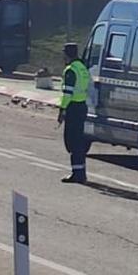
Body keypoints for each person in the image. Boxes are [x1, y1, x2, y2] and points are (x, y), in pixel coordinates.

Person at [57, 41, 91, 184]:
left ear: (67, 54)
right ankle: (80, 172)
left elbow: (67, 93)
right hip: (82, 106)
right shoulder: (82, 67)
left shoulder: (71, 70)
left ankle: (77, 174)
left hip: (73, 108)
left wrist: (62, 110)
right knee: (78, 141)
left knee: (72, 142)